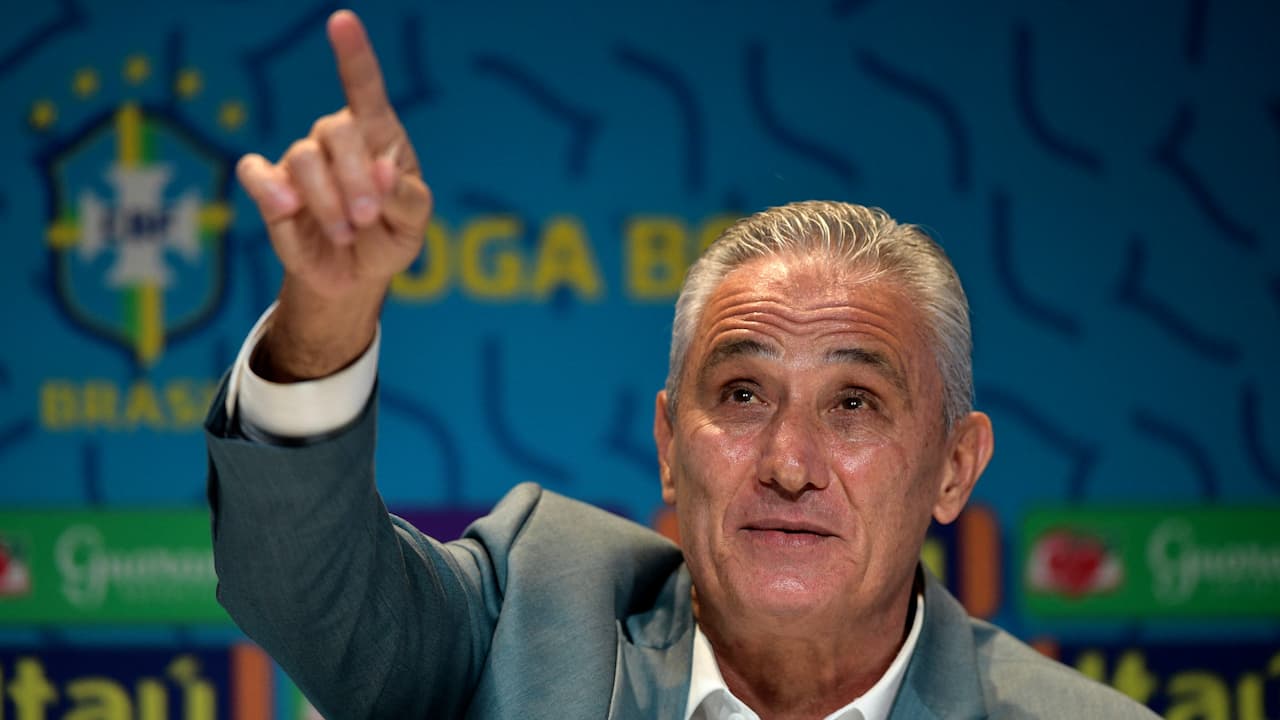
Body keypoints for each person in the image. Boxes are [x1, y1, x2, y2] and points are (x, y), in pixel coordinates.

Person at [205, 9, 1158, 719]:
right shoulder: (533, 617)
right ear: (668, 443)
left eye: (855, 404)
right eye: (742, 394)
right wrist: (327, 312)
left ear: (954, 466)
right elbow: (307, 590)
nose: (789, 463)